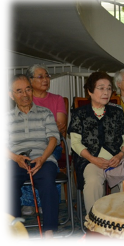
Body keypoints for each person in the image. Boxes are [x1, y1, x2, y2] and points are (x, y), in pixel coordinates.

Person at [68, 71, 124, 213]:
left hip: (116, 160)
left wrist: (120, 155)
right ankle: (95, 225)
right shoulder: (79, 114)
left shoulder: (116, 112)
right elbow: (75, 143)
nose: (106, 92)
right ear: (90, 91)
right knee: (93, 182)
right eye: (101, 88)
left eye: (109, 88)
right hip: (91, 161)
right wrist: (93, 159)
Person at [3, 74, 61, 244]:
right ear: (11, 95)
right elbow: (2, 146)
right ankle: (15, 232)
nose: (25, 94)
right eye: (19, 91)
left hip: (43, 158)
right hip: (17, 159)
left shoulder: (45, 113)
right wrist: (16, 158)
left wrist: (42, 159)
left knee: (48, 182)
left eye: (28, 89)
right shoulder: (5, 118)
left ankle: (49, 233)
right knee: (10, 183)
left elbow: (53, 139)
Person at [19, 64, 67, 216]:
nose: (45, 79)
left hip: (52, 146)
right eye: (40, 77)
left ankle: (45, 202)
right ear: (30, 81)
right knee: (24, 157)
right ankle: (28, 202)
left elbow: (60, 126)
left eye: (47, 76)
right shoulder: (25, 100)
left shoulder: (57, 99)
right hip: (29, 145)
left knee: (48, 160)